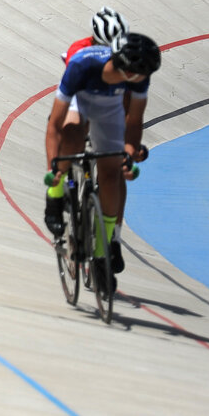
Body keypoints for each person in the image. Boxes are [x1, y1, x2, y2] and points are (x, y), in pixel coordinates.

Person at [44, 30, 161, 287]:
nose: (144, 78)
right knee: (71, 137)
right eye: (140, 74)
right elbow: (54, 124)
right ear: (127, 71)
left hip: (109, 109)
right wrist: (54, 169)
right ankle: (56, 196)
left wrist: (128, 155)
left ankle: (102, 252)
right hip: (80, 100)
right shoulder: (81, 65)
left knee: (111, 174)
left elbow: (134, 121)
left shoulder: (139, 76)